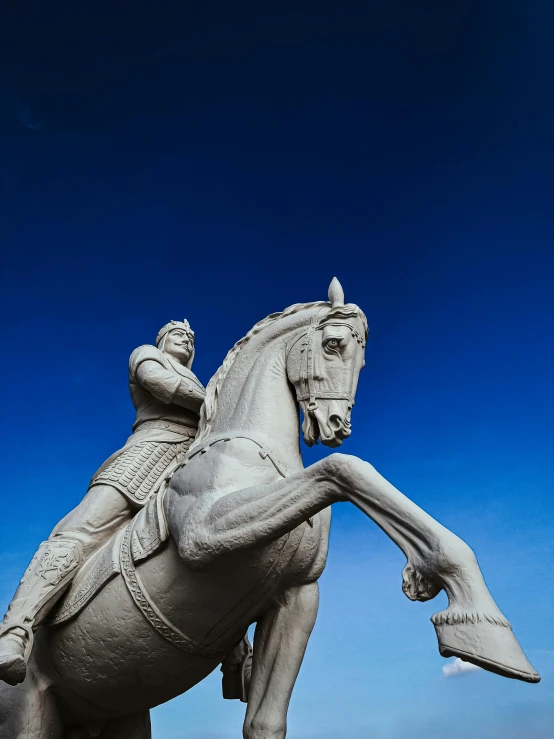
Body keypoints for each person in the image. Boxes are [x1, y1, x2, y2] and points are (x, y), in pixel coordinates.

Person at [0, 320, 251, 698]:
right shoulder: (147, 356)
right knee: (79, 532)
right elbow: (163, 386)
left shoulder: (203, 385)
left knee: (222, 548)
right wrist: (219, 405)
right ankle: (15, 631)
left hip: (188, 467)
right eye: (177, 333)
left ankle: (237, 660)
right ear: (163, 339)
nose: (186, 337)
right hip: (146, 456)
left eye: (192, 337)